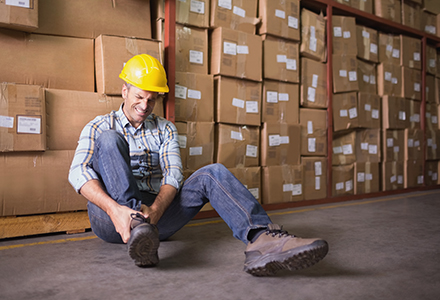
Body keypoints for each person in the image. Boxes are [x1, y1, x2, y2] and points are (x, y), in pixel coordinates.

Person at [68, 54, 328, 276]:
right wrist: (115, 211)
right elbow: (78, 171)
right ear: (124, 91)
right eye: (139, 97)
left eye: (152, 99)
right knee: (110, 140)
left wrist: (156, 211)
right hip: (110, 217)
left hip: (157, 216)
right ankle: (137, 228)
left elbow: (173, 176)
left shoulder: (165, 129)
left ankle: (262, 238)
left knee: (212, 172)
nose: (145, 106)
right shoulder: (100, 126)